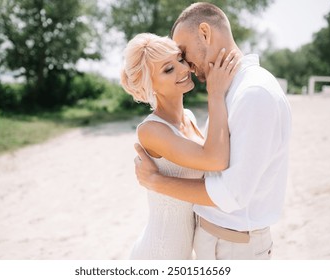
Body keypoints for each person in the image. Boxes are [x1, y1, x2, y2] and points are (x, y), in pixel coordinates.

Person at [134, 2, 292, 260]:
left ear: (205, 33)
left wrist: (155, 182)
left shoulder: (253, 94)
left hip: (232, 247)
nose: (188, 67)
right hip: (216, 244)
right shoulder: (234, 90)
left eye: (183, 54)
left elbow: (230, 193)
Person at [120, 33, 239, 259]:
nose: (183, 69)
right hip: (160, 251)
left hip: (185, 250)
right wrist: (215, 93)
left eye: (180, 59)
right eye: (168, 69)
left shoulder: (189, 117)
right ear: (150, 85)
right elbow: (215, 160)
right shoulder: (151, 130)